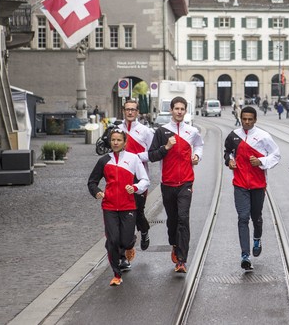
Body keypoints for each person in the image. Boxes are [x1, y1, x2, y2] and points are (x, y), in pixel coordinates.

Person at [148, 96, 204, 274]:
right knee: (172, 221)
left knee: (183, 218)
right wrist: (166, 147)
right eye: (176, 109)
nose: (179, 111)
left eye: (182, 109)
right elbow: (152, 156)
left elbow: (199, 146)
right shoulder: (162, 132)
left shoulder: (192, 131)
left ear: (185, 111)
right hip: (167, 183)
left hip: (186, 182)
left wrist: (197, 157)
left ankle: (181, 260)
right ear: (171, 110)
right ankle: (174, 243)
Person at [87, 128, 149, 286]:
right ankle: (116, 273)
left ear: (125, 142)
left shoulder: (133, 159)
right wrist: (97, 192)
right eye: (113, 140)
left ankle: (130, 244)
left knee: (126, 240)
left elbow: (145, 180)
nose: (115, 143)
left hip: (128, 206)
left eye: (119, 140)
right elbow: (92, 182)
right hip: (109, 207)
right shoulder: (104, 161)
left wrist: (135, 188)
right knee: (113, 240)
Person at [224, 106, 281, 271]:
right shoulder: (234, 136)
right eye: (244, 119)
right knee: (243, 217)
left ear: (255, 120)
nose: (247, 122)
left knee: (256, 217)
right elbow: (227, 152)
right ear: (240, 118)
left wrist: (262, 162)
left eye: (250, 119)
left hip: (258, 184)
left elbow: (276, 155)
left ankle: (257, 237)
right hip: (240, 184)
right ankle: (245, 255)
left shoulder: (263, 136)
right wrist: (229, 161)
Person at [118, 99, 154, 258]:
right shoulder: (117, 129)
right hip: (121, 179)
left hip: (139, 179)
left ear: (137, 112)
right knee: (124, 215)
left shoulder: (145, 131)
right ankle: (127, 250)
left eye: (133, 109)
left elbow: (153, 153)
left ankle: (144, 230)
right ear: (123, 111)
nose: (130, 112)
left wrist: (136, 157)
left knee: (137, 212)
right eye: (127, 109)